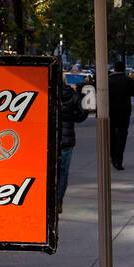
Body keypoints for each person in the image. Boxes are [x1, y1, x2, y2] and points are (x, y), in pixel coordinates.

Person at [59, 74, 88, 210]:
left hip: (50, 139)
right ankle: (59, 201)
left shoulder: (47, 92)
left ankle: (49, 200)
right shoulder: (73, 95)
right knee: (64, 171)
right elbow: (81, 116)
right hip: (67, 139)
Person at [108, 59, 134, 170]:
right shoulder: (128, 80)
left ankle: (112, 156)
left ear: (114, 68)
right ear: (124, 68)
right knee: (122, 136)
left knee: (111, 135)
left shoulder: (108, 80)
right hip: (124, 112)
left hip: (111, 112)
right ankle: (118, 160)